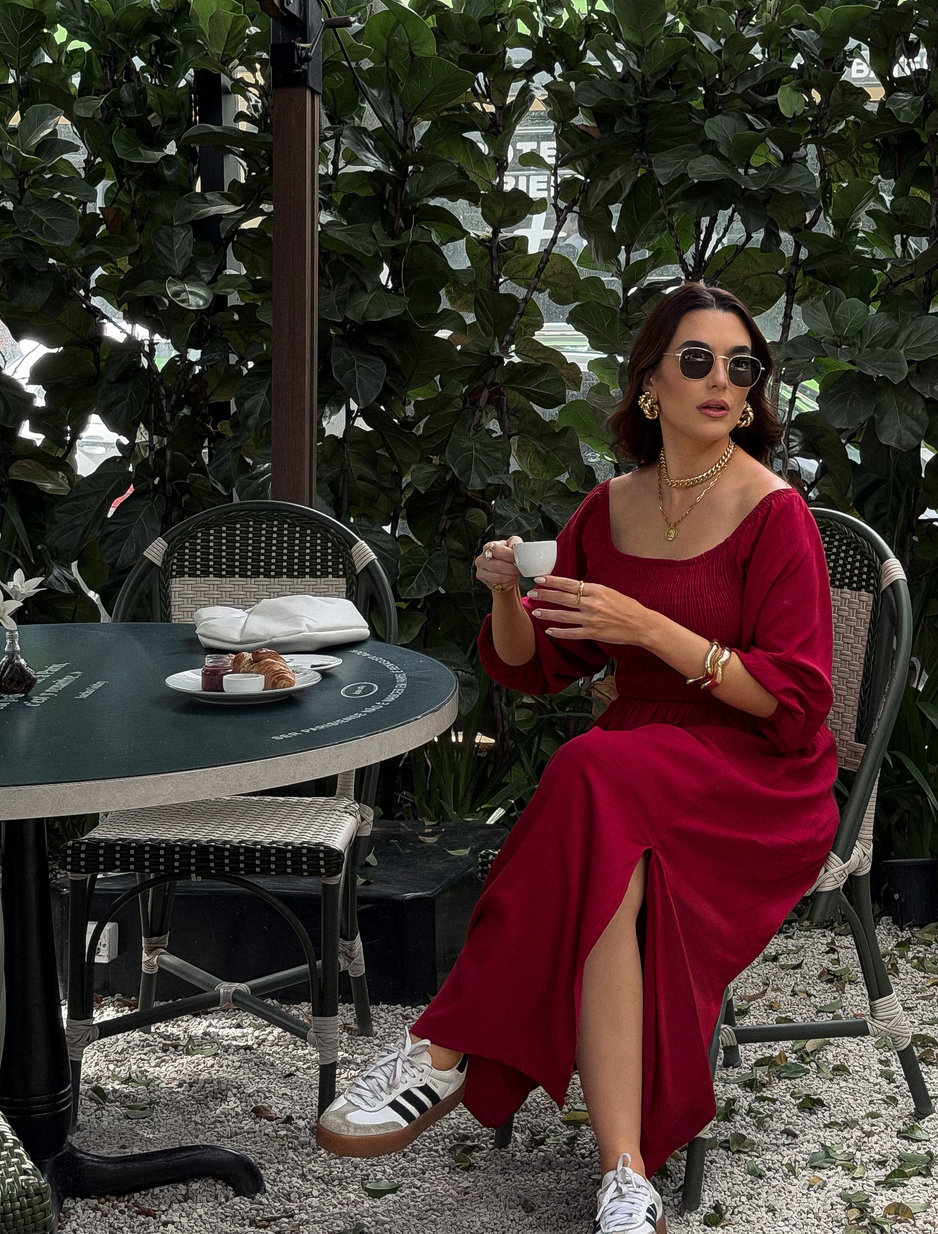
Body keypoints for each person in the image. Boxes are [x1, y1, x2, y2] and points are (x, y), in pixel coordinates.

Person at [317, 282, 838, 1234]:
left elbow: (796, 705)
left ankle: (444, 1045)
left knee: (592, 772)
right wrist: (504, 595)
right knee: (605, 849)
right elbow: (539, 667)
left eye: (742, 366)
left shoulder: (775, 514)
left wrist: (650, 628)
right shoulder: (609, 507)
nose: (722, 380)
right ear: (648, 383)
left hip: (754, 775)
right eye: (696, 360)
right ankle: (624, 1177)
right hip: (634, 772)